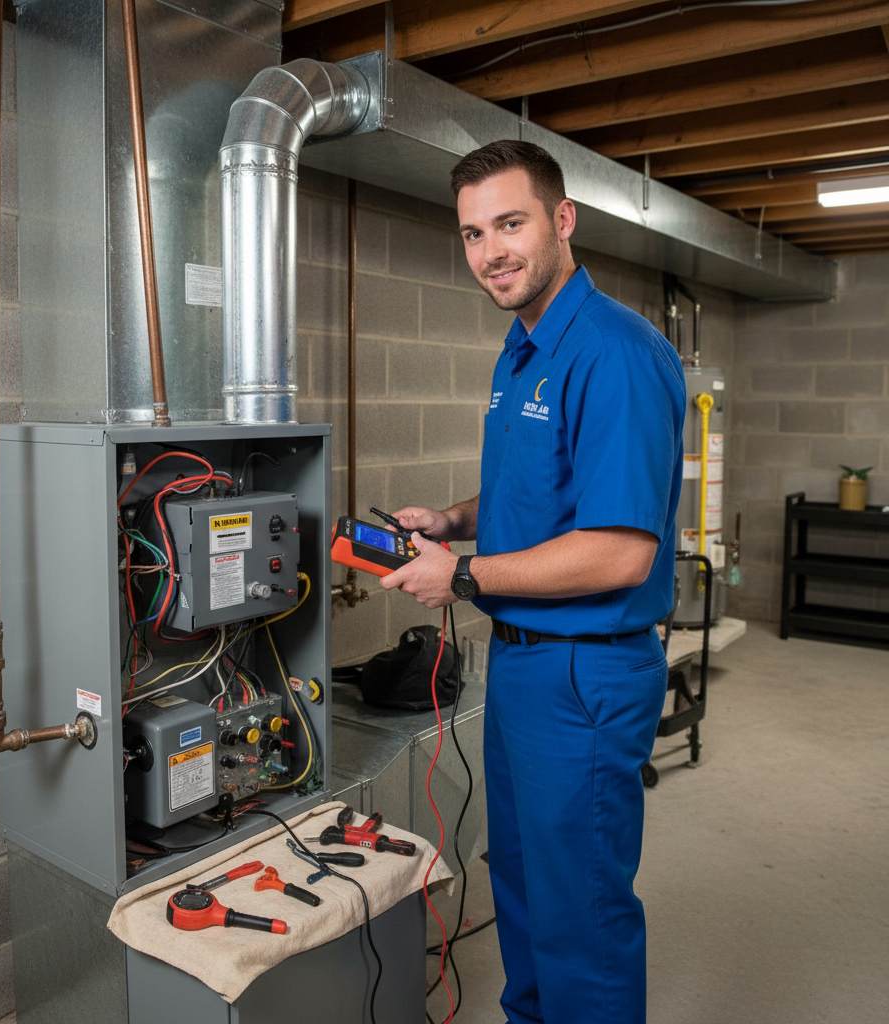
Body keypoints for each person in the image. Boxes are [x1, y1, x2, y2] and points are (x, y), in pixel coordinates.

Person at [380, 140, 686, 1024]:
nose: (491, 252)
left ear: (561, 221)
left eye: (510, 224)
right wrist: (452, 522)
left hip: (584, 672)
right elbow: (538, 487)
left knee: (578, 914)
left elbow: (621, 551)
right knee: (516, 883)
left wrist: (463, 574)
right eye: (473, 233)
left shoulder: (615, 354)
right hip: (522, 667)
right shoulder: (522, 350)